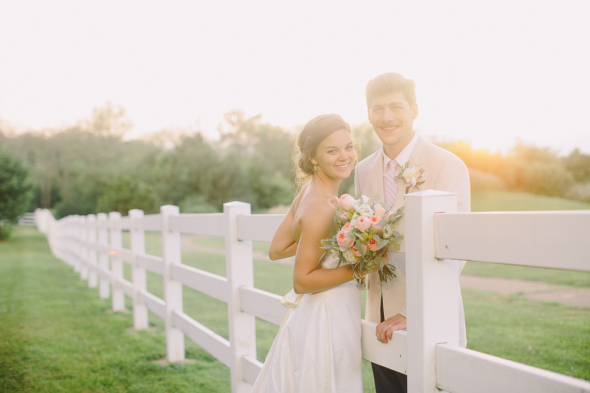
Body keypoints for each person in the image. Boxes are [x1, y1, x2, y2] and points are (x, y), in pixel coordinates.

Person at [354, 72, 470, 393]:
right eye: (377, 109)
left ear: (414, 110)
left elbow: (456, 252)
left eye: (396, 107)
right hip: (378, 317)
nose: (386, 117)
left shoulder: (447, 165)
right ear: (368, 114)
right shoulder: (362, 170)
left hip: (431, 318)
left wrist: (411, 312)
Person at [251, 114, 371, 393]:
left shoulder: (308, 193)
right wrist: (359, 268)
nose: (345, 156)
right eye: (332, 150)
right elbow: (302, 281)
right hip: (326, 319)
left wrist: (337, 240)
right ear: (313, 158)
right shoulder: (321, 206)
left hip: (311, 316)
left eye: (348, 147)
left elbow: (277, 249)